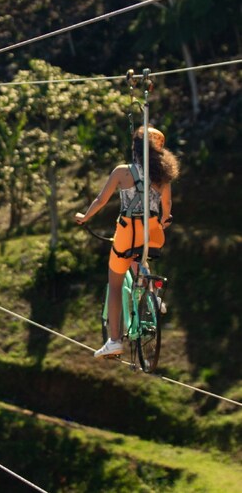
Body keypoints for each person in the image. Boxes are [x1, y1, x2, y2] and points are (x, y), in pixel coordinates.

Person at [75, 126, 180, 358]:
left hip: (127, 232)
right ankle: (152, 297)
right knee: (141, 257)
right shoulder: (163, 175)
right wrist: (162, 221)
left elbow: (101, 200)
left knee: (115, 282)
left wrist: (85, 217)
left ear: (135, 149)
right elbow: (167, 206)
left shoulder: (122, 172)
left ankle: (114, 340)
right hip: (153, 234)